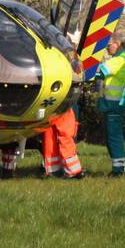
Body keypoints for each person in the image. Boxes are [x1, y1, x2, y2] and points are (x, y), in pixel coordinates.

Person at [40, 47, 85, 179]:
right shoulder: (65, 66)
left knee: (50, 136)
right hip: (62, 106)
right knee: (65, 135)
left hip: (50, 105)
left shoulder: (51, 62)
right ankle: (73, 170)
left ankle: (53, 169)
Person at [96, 32, 125, 176]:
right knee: (113, 135)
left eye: (109, 45)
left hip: (114, 104)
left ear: (116, 44)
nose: (107, 48)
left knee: (114, 136)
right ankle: (119, 167)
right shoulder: (122, 58)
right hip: (114, 103)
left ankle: (118, 169)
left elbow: (101, 72)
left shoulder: (118, 59)